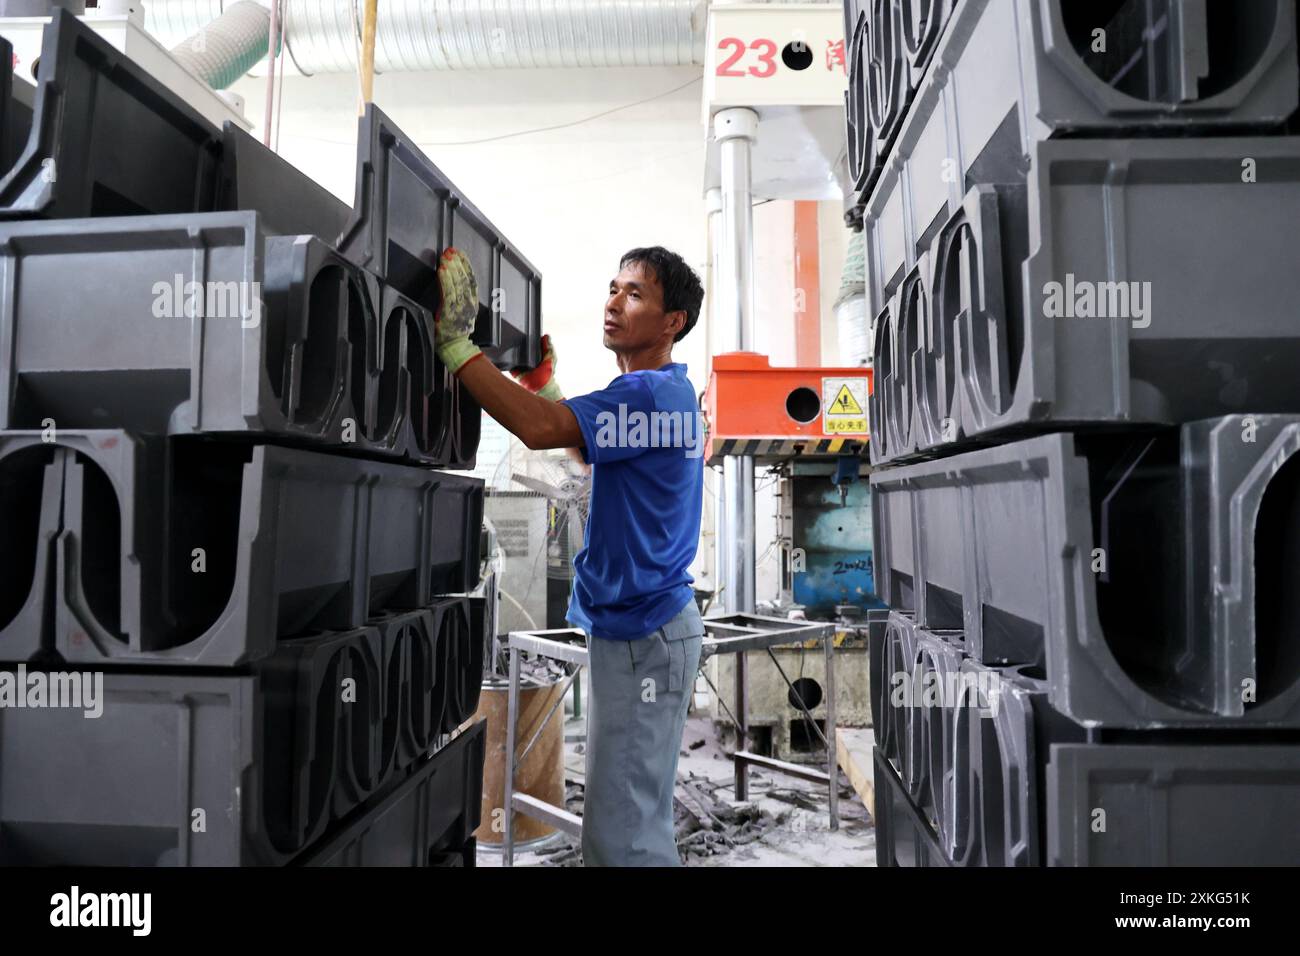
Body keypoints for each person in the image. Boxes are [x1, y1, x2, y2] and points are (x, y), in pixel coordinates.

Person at [434, 244, 706, 866]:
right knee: (629, 819)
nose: (614, 302)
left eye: (635, 294)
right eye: (613, 287)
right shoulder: (661, 394)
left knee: (623, 837)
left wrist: (458, 348)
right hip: (646, 634)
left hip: (645, 637)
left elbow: (540, 429)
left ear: (673, 322)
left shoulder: (648, 395)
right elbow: (589, 444)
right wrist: (545, 385)